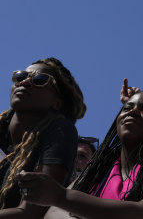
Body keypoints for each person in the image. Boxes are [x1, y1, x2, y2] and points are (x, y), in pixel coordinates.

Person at [16, 83, 143, 219]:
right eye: (127, 108)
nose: (132, 112)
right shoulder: (99, 168)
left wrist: (60, 195)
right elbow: (56, 214)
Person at [0, 57, 86, 218]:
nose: (25, 82)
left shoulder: (60, 131)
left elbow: (32, 213)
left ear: (57, 102)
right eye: (20, 76)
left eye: (40, 80)